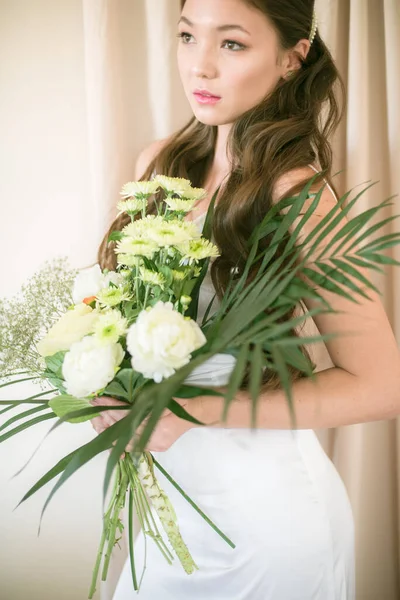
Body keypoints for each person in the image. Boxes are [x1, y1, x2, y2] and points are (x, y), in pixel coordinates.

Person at [91, 0, 400, 597]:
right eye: (187, 36)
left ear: (292, 58)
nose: (199, 67)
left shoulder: (295, 193)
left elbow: (382, 385)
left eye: (231, 44)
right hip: (168, 509)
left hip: (266, 521)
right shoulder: (159, 164)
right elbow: (117, 316)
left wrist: (191, 410)